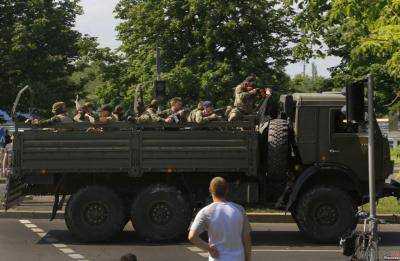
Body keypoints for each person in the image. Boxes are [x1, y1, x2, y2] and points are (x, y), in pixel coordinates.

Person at [188, 177, 252, 261]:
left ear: (210, 190)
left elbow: (192, 237)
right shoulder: (239, 210)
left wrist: (209, 248)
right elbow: (247, 238)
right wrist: (247, 259)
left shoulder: (205, 212)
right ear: (227, 190)